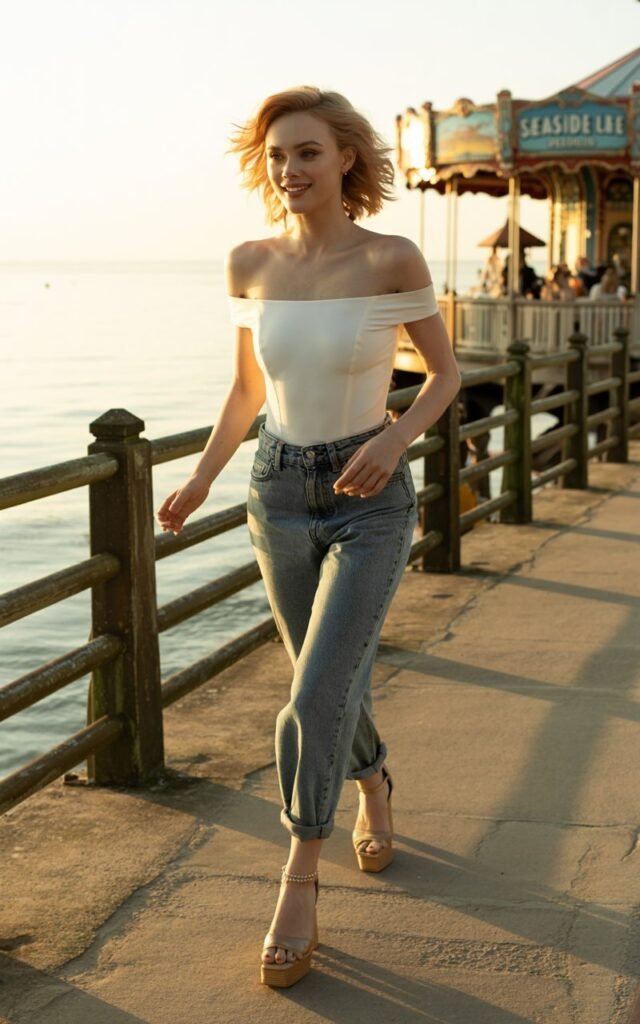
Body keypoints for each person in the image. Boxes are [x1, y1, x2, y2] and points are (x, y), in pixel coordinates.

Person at [156, 85, 461, 989]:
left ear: (347, 161)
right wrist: (206, 473)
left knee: (315, 690)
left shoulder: (389, 257)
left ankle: (297, 878)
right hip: (276, 492)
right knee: (319, 683)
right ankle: (372, 781)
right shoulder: (248, 262)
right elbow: (248, 390)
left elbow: (445, 376)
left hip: (369, 498)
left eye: (309, 154)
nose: (291, 170)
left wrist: (393, 437)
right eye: (279, 156)